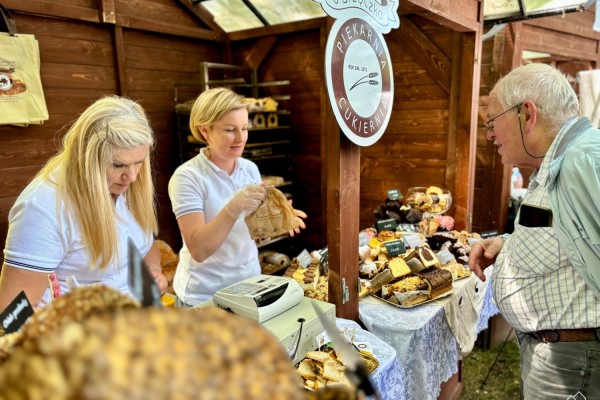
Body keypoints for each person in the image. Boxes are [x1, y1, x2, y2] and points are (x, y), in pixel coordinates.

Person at [469, 63, 600, 399]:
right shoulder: (561, 160)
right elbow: (569, 234)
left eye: (492, 122)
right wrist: (507, 244)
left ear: (526, 114)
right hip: (558, 355)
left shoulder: (582, 161)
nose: (489, 135)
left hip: (572, 364)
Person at [0, 96, 168, 310]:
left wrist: (152, 270)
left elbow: (144, 245)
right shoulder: (43, 208)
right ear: (86, 158)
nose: (133, 176)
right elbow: (13, 311)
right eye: (118, 165)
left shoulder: (127, 183)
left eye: (139, 162)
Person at [168, 87, 306, 307]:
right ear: (205, 131)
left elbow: (253, 231)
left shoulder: (249, 169)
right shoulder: (187, 177)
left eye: (244, 128)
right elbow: (199, 249)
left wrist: (277, 217)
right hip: (205, 296)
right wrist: (233, 208)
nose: (241, 138)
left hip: (249, 285)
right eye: (231, 129)